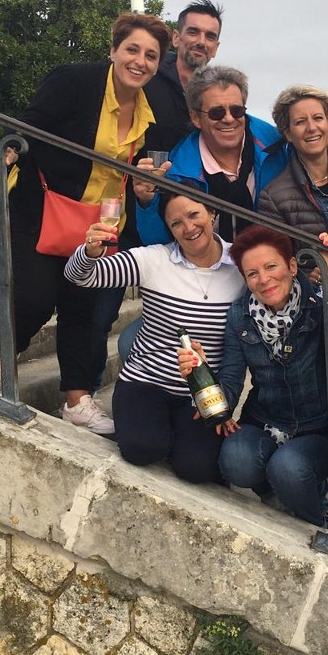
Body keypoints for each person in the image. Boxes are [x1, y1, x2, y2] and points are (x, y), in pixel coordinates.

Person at [0, 12, 172, 436]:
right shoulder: (74, 81)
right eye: (132, 49)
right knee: (37, 296)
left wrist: (145, 189)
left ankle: (77, 401)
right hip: (44, 207)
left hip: (100, 223)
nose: (140, 61)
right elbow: (28, 128)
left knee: (83, 309)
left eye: (151, 55)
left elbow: (132, 171)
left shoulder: (148, 114)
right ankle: (5, 355)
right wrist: (5, 153)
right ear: (114, 49)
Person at [177, 225, 328, 528]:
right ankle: (276, 494)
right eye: (252, 273)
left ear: (291, 266)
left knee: (289, 468)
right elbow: (231, 381)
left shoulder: (319, 302)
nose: (263, 279)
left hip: (318, 425)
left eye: (271, 266)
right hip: (266, 417)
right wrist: (200, 372)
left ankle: (321, 521)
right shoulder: (240, 314)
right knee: (235, 460)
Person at [64, 188, 245, 482]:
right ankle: (156, 428)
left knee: (196, 468)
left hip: (201, 393)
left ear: (212, 213)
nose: (188, 228)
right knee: (141, 448)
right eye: (176, 223)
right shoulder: (154, 260)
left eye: (194, 214)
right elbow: (81, 276)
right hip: (145, 381)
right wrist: (89, 251)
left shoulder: (240, 265)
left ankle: (176, 433)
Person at [137, 66, 328, 245]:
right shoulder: (177, 171)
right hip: (208, 274)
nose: (229, 119)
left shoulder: (276, 143)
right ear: (195, 117)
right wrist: (147, 202)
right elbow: (158, 242)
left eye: (237, 110)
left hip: (272, 271)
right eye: (216, 112)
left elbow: (313, 167)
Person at [259, 85, 328, 238]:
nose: (311, 127)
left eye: (318, 118)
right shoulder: (273, 198)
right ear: (288, 134)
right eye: (300, 122)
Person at [144, 0, 224, 143]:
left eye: (210, 36)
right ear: (176, 38)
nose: (201, 42)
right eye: (193, 32)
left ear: (216, 48)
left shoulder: (220, 93)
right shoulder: (146, 77)